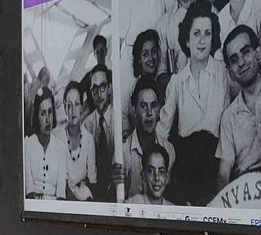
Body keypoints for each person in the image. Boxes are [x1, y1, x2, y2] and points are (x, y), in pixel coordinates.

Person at [157, 0, 229, 206]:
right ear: (187, 40)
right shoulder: (177, 82)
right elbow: (162, 132)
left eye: (207, 33)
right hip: (186, 170)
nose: (202, 40)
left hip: (217, 167)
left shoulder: (224, 73)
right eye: (196, 33)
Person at [216, 25, 261, 185]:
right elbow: (223, 173)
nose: (241, 62)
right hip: (246, 187)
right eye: (234, 60)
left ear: (257, 54)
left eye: (245, 52)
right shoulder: (229, 117)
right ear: (230, 72)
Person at [120, 76, 177, 201]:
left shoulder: (169, 150)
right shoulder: (123, 152)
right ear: (134, 110)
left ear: (159, 109)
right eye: (143, 106)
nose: (149, 113)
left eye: (154, 105)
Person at [23, 87, 67, 199]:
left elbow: (61, 191)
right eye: (43, 114)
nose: (48, 119)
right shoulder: (28, 145)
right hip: (34, 204)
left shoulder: (60, 148)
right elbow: (29, 189)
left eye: (50, 112)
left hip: (55, 206)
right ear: (36, 117)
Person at [56, 81, 97, 201]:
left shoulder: (88, 139)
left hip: (84, 195)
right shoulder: (59, 139)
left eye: (77, 104)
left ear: (82, 107)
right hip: (64, 196)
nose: (73, 110)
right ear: (64, 108)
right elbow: (61, 182)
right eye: (69, 105)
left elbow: (92, 180)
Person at [81, 65, 117, 202]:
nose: (99, 93)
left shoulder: (120, 121)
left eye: (102, 87)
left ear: (109, 88)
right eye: (94, 89)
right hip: (96, 192)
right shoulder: (87, 125)